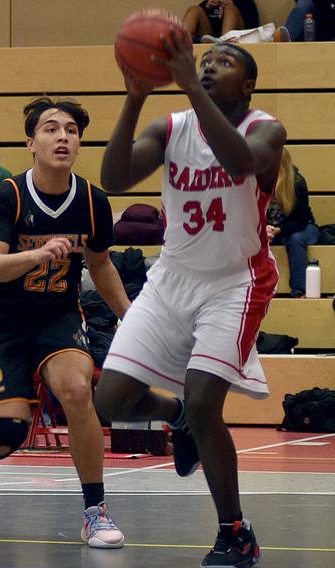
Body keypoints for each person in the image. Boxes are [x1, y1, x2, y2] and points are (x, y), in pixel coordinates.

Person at [95, 36, 286, 567]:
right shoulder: (171, 126)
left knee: (208, 403)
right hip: (172, 277)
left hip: (235, 282)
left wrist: (187, 89)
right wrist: (134, 97)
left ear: (247, 84)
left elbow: (240, 164)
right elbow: (112, 178)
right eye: (203, 61)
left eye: (222, 63)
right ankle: (174, 415)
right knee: (109, 401)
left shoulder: (266, 129)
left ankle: (235, 531)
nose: (207, 68)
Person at [0, 96, 131, 550]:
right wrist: (36, 254)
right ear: (31, 142)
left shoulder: (92, 199)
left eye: (70, 130)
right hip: (4, 320)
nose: (62, 136)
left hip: (57, 316)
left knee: (79, 391)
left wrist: (131, 318)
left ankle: (94, 512)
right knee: (6, 435)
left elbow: (100, 266)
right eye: (51, 129)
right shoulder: (7, 195)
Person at [267, 148, 319, 297]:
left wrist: (279, 230)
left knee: (295, 240)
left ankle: (299, 290)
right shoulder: (261, 183)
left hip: (304, 227)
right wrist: (265, 229)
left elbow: (301, 220)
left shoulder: (297, 183)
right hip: (275, 229)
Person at [183, 1, 258, 41]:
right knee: (194, 10)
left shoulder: (245, 3)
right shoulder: (207, 4)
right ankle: (180, 43)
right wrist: (206, 7)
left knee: (230, 9)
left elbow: (253, 29)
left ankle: (225, 43)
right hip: (211, 39)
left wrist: (231, 5)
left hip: (235, 40)